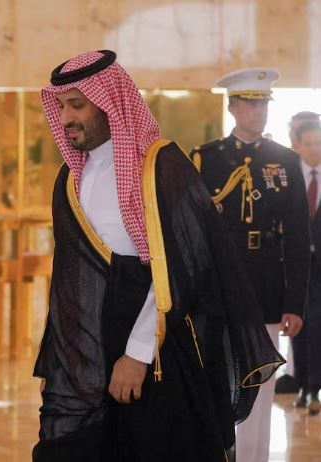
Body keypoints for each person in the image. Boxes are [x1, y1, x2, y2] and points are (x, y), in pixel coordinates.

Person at [33, 50, 282, 462]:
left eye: (77, 105)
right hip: (88, 352)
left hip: (159, 347)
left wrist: (137, 354)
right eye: (60, 106)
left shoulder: (162, 166)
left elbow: (183, 266)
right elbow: (69, 278)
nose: (66, 118)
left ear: (110, 103)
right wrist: (60, 360)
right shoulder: (69, 177)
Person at [190, 68, 310, 462]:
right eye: (250, 104)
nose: (258, 111)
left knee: (262, 384)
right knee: (220, 379)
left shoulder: (285, 160)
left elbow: (297, 238)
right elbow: (193, 233)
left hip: (265, 284)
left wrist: (295, 303)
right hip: (220, 285)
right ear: (233, 107)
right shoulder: (206, 159)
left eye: (263, 104)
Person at [289, 122, 321, 415]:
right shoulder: (288, 175)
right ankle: (301, 383)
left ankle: (314, 388)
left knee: (318, 324)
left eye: (319, 143)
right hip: (295, 264)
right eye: (309, 143)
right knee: (299, 323)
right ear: (298, 145)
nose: (315, 149)